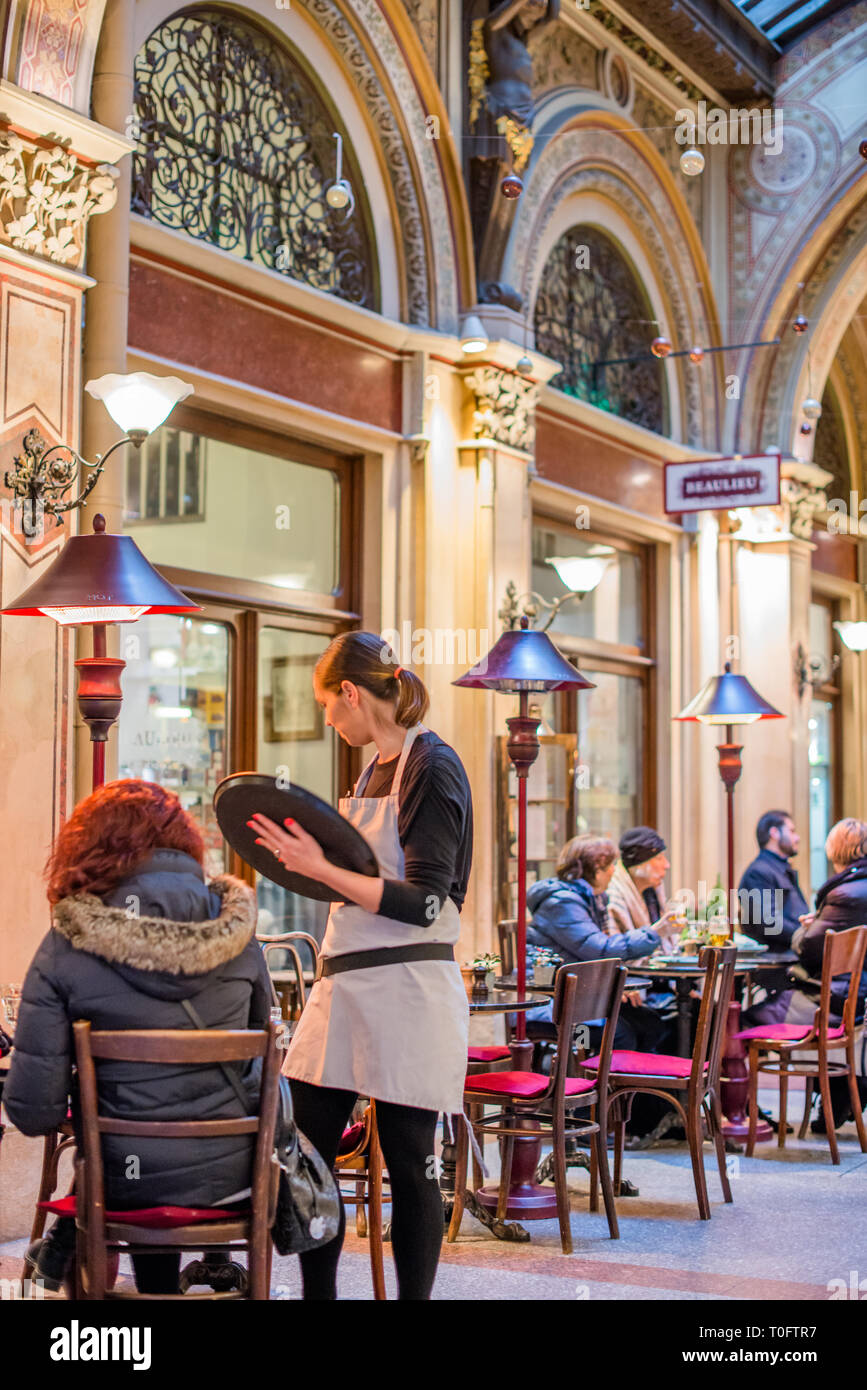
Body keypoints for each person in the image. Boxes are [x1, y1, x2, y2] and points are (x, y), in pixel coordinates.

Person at [249, 632, 472, 1301]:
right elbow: (366, 881)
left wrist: (319, 868)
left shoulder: (433, 766)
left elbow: (428, 901)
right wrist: (313, 866)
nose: (326, 720)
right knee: (307, 1153)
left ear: (350, 692)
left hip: (410, 984)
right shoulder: (372, 768)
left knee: (410, 1165)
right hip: (343, 982)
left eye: (328, 705)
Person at [4, 780, 270, 1294]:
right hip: (237, 1178)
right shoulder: (241, 934)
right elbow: (258, 1052)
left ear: (88, 849)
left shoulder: (67, 943)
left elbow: (32, 1113)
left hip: (123, 1183)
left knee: (133, 1152)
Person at [741, 818, 867, 1132]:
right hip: (849, 996)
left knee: (731, 1026)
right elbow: (761, 923)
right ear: (774, 833)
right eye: (793, 829)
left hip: (831, 1000)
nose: (798, 835)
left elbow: (811, 946)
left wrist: (806, 929)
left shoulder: (845, 892)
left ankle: (739, 1114)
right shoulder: (765, 872)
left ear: (836, 850)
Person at [527, 833, 667, 1050]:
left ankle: (637, 1083)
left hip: (580, 995)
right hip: (553, 1005)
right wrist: (654, 933)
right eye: (611, 865)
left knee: (650, 1023)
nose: (614, 871)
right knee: (620, 1034)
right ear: (597, 868)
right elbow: (600, 949)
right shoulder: (561, 903)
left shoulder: (591, 897)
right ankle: (591, 1080)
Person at [738, 810, 808, 949]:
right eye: (792, 831)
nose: (797, 838)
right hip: (777, 961)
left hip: (792, 954)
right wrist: (805, 935)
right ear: (774, 833)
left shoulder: (780, 869)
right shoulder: (758, 873)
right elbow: (769, 922)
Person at [607, 826, 677, 935]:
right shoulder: (614, 898)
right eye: (659, 858)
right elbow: (614, 947)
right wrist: (656, 933)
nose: (667, 865)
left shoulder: (653, 892)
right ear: (639, 865)